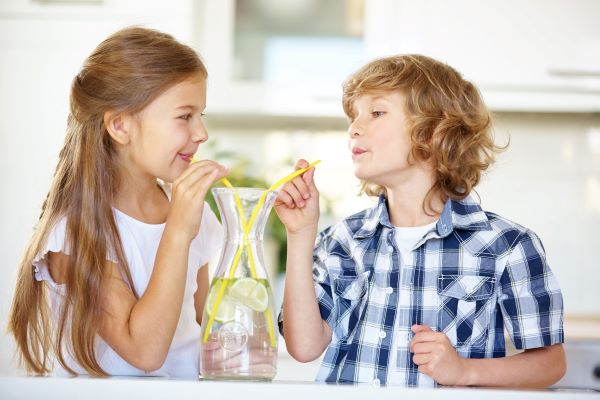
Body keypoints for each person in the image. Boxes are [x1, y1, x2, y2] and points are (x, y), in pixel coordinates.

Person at [275, 54, 566, 387]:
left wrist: (464, 371)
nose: (354, 128)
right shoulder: (341, 240)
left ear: (433, 131)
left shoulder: (507, 247)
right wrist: (300, 235)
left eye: (377, 113)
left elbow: (550, 364)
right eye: (353, 117)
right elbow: (304, 347)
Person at [8, 27, 229, 378]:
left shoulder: (192, 214)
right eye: (185, 116)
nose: (201, 133)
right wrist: (178, 231)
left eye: (201, 115)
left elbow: (204, 329)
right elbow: (145, 350)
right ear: (121, 126)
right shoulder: (73, 234)